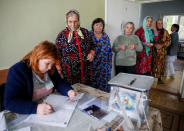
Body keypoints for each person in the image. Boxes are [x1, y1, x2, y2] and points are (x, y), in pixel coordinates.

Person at [4, 41, 77, 115]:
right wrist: (36, 108)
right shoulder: (18, 71)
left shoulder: (50, 68)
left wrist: (68, 91)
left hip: (48, 105)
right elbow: (10, 102)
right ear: (37, 58)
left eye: (52, 64)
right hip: (28, 110)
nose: (50, 67)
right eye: (47, 63)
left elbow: (59, 82)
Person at [55, 9, 95, 86]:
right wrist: (59, 71)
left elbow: (92, 45)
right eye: (70, 21)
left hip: (86, 71)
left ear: (79, 21)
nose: (73, 24)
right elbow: (56, 54)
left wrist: (91, 54)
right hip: (69, 74)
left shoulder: (85, 32)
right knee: (73, 94)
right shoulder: (62, 35)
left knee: (86, 93)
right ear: (67, 22)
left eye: (75, 21)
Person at [89, 18, 112, 92]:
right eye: (97, 25)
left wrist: (109, 65)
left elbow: (109, 51)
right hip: (92, 65)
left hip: (104, 66)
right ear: (93, 26)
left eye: (101, 25)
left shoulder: (105, 37)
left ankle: (104, 101)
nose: (99, 27)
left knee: (104, 86)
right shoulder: (89, 35)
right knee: (92, 86)